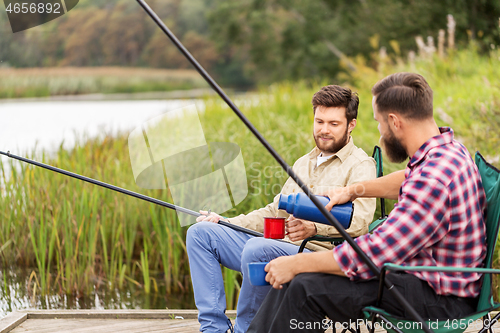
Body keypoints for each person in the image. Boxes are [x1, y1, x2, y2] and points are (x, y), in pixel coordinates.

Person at [247, 72, 487, 333]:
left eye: (378, 123)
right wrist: (354, 190)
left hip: (438, 300)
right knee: (302, 283)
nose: (379, 132)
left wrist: (296, 263)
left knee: (303, 287)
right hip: (428, 280)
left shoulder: (433, 180)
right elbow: (408, 177)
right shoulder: (448, 151)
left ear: (394, 122)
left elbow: (375, 254)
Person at [186, 85, 377, 333]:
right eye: (319, 121)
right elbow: (274, 211)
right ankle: (214, 329)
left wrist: (313, 227)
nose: (324, 130)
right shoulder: (304, 162)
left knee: (257, 249)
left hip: (318, 255)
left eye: (333, 124)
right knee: (201, 233)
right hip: (278, 246)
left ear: (351, 125)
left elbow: (361, 221)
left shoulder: (361, 165)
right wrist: (226, 221)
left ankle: (247, 329)